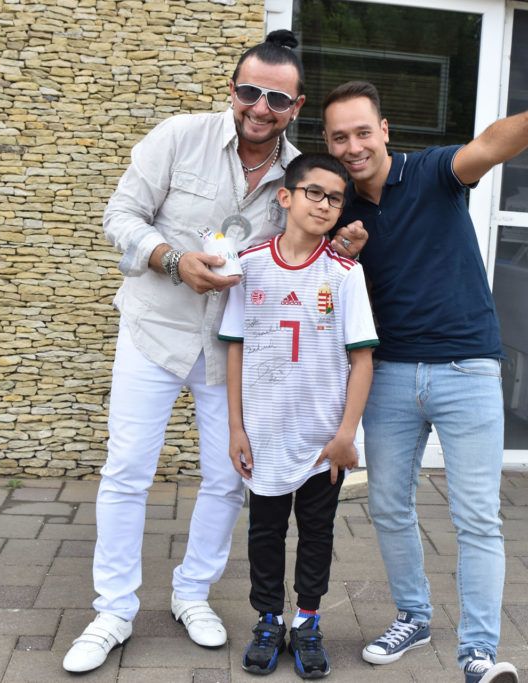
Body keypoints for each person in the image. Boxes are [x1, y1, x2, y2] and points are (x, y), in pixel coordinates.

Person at [62, 31, 366, 674]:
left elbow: (302, 252)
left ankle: (192, 593)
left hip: (233, 352)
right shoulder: (180, 137)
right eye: (250, 91)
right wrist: (172, 260)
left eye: (277, 99)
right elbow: (121, 216)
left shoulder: (298, 175)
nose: (260, 107)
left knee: (229, 477)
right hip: (155, 330)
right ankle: (113, 610)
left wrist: (340, 249)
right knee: (128, 470)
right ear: (233, 89)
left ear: (296, 107)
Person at [321, 70, 528, 683]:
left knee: (478, 517)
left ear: (384, 130)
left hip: (466, 367)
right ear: (328, 142)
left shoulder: (430, 172)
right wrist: (343, 255)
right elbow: (318, 286)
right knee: (387, 505)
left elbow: (490, 144)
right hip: (390, 374)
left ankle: (478, 654)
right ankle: (414, 616)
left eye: (363, 132)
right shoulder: (339, 209)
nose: (353, 146)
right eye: (340, 137)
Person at [220, 152, 377, 678]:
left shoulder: (345, 274)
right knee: (264, 533)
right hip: (265, 433)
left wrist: (346, 435)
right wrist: (236, 427)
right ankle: (268, 620)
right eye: (315, 192)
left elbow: (362, 360)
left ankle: (307, 621)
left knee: (317, 532)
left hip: (322, 439)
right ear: (286, 196)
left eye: (336, 198)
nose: (325, 204)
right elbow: (236, 348)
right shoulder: (249, 265)